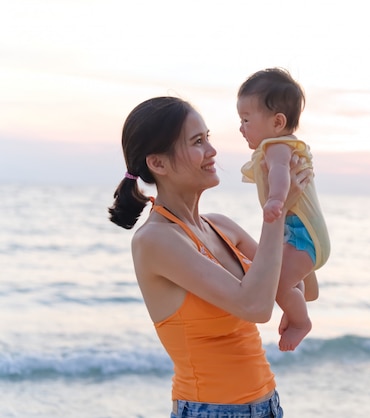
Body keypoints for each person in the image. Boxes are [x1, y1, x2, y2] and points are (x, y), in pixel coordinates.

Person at [108, 96, 311, 418]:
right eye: (197, 142)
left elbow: (305, 287)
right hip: (211, 410)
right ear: (158, 163)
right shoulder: (156, 240)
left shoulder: (221, 226)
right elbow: (256, 307)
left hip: (268, 404)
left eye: (208, 138)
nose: (212, 151)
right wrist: (276, 211)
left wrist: (295, 210)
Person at [238, 68, 331, 351]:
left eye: (246, 120)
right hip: (299, 234)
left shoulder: (277, 147)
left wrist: (277, 199)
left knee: (277, 285)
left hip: (305, 236)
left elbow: (281, 174)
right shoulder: (279, 145)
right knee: (286, 283)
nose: (241, 128)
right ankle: (294, 311)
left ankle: (301, 321)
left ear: (277, 122)